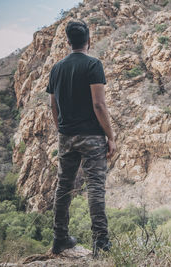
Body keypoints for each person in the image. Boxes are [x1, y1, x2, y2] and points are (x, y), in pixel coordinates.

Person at [46, 19, 116, 257]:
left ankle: (59, 239)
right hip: (92, 137)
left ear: (68, 41)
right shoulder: (93, 65)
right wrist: (111, 137)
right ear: (89, 40)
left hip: (66, 136)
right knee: (95, 186)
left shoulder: (56, 68)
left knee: (63, 187)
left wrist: (61, 129)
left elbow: (52, 105)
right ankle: (101, 243)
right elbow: (99, 104)